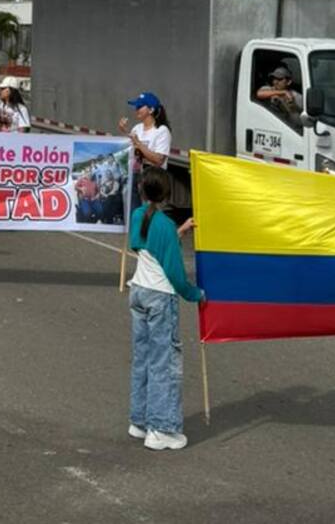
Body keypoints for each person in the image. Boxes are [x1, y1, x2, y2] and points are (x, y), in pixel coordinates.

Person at [127, 167, 204, 451]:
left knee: (143, 358)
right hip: (161, 297)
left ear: (142, 191)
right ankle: (162, 428)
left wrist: (178, 232)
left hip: (139, 291)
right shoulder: (163, 224)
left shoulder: (139, 216)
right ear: (167, 194)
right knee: (165, 362)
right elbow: (174, 272)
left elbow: (147, 245)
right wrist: (195, 294)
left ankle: (140, 421)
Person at [118, 91, 172, 205]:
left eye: (139, 106)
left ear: (151, 110)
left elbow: (158, 160)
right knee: (137, 214)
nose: (136, 109)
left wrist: (139, 143)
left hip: (154, 183)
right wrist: (125, 132)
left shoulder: (162, 131)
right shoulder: (137, 128)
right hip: (137, 179)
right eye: (136, 106)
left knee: (150, 216)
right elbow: (131, 150)